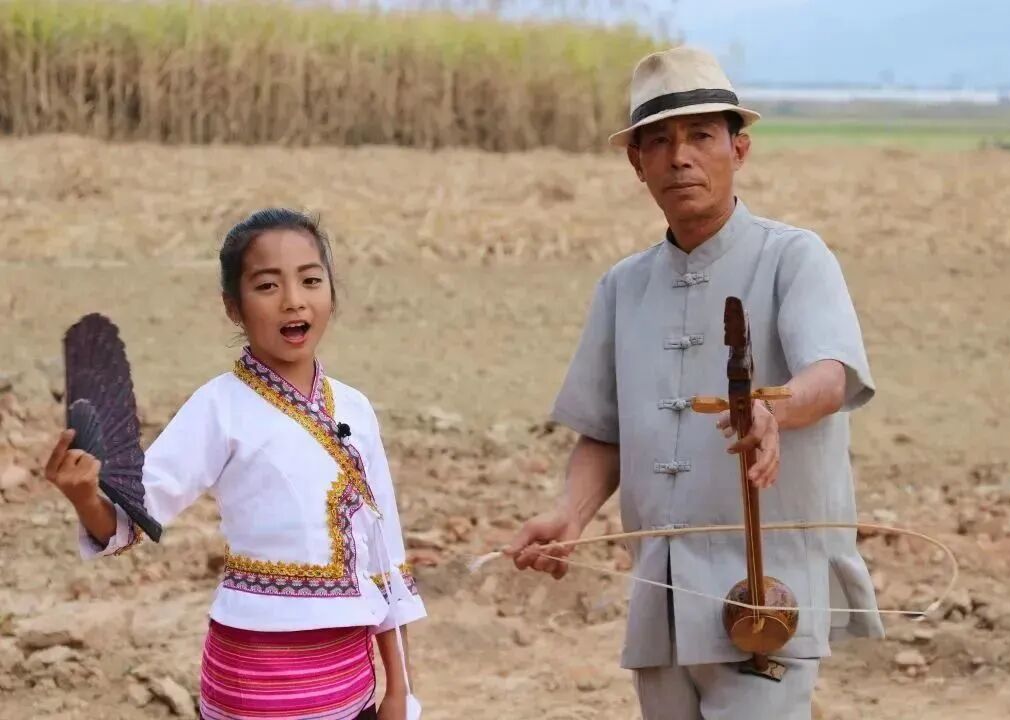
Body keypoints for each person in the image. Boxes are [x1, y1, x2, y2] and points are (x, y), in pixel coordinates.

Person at [506, 46, 883, 720]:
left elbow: (830, 376)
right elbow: (606, 431)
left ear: (739, 149)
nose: (680, 157)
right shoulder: (623, 287)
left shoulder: (794, 257)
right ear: (637, 163)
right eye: (659, 141)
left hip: (766, 590)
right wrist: (572, 513)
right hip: (663, 595)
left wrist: (774, 412)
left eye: (701, 136)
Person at [43, 208, 425, 720]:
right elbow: (131, 516)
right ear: (233, 307)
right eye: (267, 286)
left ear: (331, 292)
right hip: (251, 685)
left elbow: (385, 554)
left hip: (350, 683)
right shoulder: (218, 407)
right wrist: (83, 494)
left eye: (311, 280)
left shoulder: (355, 408)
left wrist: (400, 690)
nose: (293, 300)